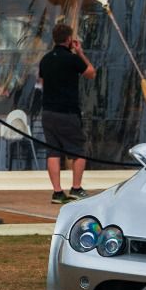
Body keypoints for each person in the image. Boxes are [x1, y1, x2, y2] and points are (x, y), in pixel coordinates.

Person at [39, 23, 96, 204]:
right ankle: (76, 188)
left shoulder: (46, 59)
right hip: (68, 111)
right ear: (69, 39)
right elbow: (91, 73)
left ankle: (57, 192)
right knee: (78, 150)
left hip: (48, 111)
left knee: (53, 152)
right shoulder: (72, 59)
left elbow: (41, 81)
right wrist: (79, 52)